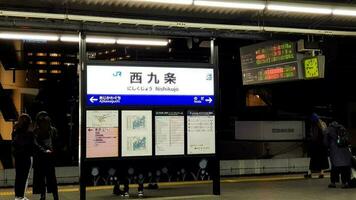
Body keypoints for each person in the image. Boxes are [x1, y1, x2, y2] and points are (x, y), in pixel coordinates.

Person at [32, 111, 59, 200]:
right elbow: (35, 144)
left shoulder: (53, 130)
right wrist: (45, 150)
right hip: (41, 157)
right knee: (42, 178)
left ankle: (55, 196)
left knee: (51, 178)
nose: (45, 121)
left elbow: (56, 142)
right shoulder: (36, 131)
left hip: (49, 157)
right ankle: (43, 195)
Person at [324, 121, 352, 188]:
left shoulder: (329, 129)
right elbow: (348, 139)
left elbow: (325, 142)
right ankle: (344, 183)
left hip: (334, 150)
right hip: (345, 150)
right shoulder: (342, 128)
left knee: (335, 166)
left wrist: (328, 146)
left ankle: (333, 183)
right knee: (345, 167)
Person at [12, 114, 33, 200]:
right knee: (24, 177)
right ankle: (21, 196)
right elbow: (32, 146)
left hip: (18, 157)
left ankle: (17, 196)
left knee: (18, 177)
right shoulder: (29, 133)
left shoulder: (15, 131)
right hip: (26, 157)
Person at [304, 113, 329, 178]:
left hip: (316, 145)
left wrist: (309, 138)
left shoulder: (314, 125)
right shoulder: (323, 124)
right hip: (323, 145)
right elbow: (326, 133)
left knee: (313, 160)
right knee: (322, 160)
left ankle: (309, 173)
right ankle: (322, 173)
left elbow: (314, 137)